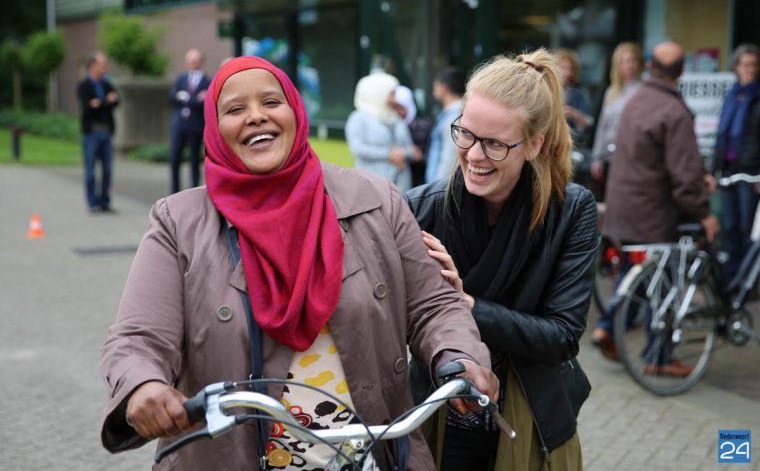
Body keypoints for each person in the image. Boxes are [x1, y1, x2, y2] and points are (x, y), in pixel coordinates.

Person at [99, 56, 498, 471]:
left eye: (271, 102)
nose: (256, 116)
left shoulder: (377, 200)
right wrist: (143, 384)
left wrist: (462, 357)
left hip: (368, 454)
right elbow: (138, 337)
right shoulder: (178, 222)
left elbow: (433, 306)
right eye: (235, 110)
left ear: (294, 111)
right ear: (215, 131)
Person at [406, 49, 598, 471]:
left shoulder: (571, 211)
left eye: (495, 144)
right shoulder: (420, 208)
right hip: (437, 411)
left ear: (533, 145)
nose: (474, 156)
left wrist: (464, 304)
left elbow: (563, 336)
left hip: (530, 419)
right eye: (466, 134)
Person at [591, 42, 720, 374]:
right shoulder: (674, 111)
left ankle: (607, 326)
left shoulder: (634, 101)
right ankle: (657, 358)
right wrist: (703, 213)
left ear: (649, 66)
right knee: (663, 282)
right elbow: (685, 174)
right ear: (682, 71)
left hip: (623, 207)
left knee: (633, 274)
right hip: (653, 212)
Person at [711, 43, 760, 281]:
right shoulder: (731, 95)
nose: (749, 69)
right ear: (736, 67)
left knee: (746, 228)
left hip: (751, 172)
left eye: (754, 65)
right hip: (729, 169)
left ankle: (747, 279)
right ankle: (731, 276)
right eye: (745, 65)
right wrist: (712, 170)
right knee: (729, 226)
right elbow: (721, 134)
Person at [345, 72, 416, 193]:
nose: (395, 98)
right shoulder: (358, 118)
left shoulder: (396, 117)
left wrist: (403, 153)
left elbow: (411, 148)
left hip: (400, 187)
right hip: (371, 188)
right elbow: (357, 149)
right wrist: (389, 154)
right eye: (392, 93)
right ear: (377, 92)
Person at [590, 42, 644, 197]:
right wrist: (596, 157)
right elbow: (602, 126)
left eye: (632, 60)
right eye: (624, 61)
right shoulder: (611, 91)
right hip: (609, 156)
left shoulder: (643, 89)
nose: (629, 65)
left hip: (631, 157)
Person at [77, 51, 119, 213]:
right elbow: (88, 108)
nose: (105, 67)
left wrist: (100, 103)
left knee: (107, 169)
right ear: (93, 66)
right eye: (103, 64)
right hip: (91, 133)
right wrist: (105, 101)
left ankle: (105, 202)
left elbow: (116, 102)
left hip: (106, 132)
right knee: (90, 171)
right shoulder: (84, 86)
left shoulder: (106, 84)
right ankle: (92, 202)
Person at [168, 48, 211, 194]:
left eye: (194, 61)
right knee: (174, 159)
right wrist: (194, 99)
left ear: (201, 62)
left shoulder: (207, 81)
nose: (191, 64)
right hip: (179, 125)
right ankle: (174, 192)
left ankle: (193, 192)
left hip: (195, 126)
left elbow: (204, 103)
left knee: (194, 161)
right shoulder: (181, 79)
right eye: (189, 61)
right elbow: (172, 98)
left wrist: (186, 98)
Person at [387, 85, 434, 188]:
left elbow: (423, 155)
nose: (397, 112)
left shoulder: (422, 127)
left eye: (399, 107)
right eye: (393, 108)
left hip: (419, 182)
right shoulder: (390, 126)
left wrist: (407, 154)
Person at [425, 67, 465, 184]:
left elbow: (450, 155)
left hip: (442, 186)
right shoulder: (454, 113)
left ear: (443, 87)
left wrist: (437, 190)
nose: (434, 90)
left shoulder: (454, 116)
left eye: (435, 86)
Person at [556, 49, 593, 139]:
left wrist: (574, 113)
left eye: (570, 69)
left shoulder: (578, 93)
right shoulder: (546, 91)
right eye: (563, 68)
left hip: (570, 140)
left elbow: (589, 122)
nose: (567, 73)